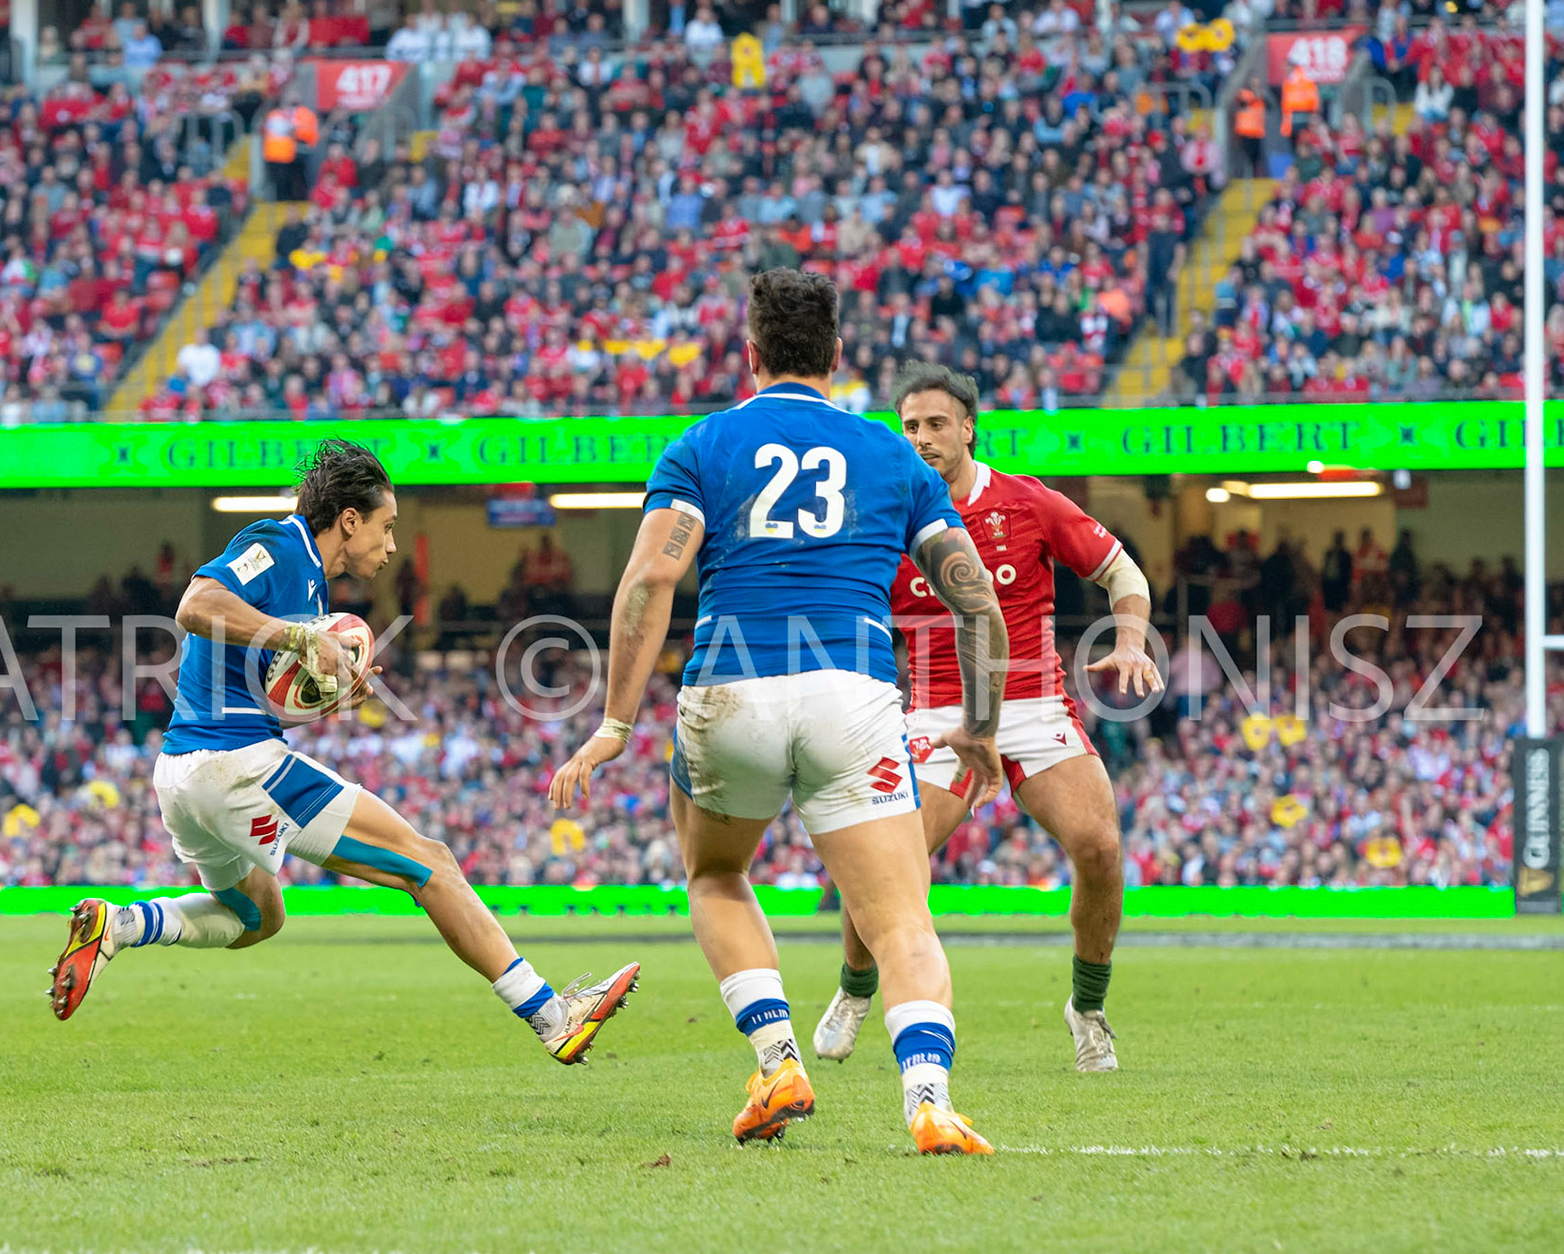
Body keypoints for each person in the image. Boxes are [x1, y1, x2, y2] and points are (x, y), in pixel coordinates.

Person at [548, 270, 1009, 1155]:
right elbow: (977, 600)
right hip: (854, 694)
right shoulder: (894, 456)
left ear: (751, 353)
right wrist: (981, 728)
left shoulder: (702, 445)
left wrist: (614, 724)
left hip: (733, 689)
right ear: (836, 354)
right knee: (900, 918)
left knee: (716, 874)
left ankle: (778, 1060)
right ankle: (928, 1100)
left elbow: (648, 580)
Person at [49, 439, 641, 1068]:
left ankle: (119, 925)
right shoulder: (280, 545)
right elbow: (195, 605)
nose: (392, 545)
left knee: (256, 917)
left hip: (184, 772)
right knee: (429, 863)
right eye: (387, 527)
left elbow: (249, 682)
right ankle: (552, 1016)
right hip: (235, 764)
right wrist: (301, 638)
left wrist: (320, 696)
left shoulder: (311, 586)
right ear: (350, 520)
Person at [811, 364, 1160, 1074]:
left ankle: (1088, 1007)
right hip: (937, 712)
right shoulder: (882, 518)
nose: (922, 438)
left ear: (968, 428)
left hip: (1032, 703)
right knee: (885, 859)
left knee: (1098, 845)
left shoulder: (1026, 502)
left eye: (936, 423)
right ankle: (855, 987)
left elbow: (1121, 571)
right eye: (910, 425)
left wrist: (1129, 639)